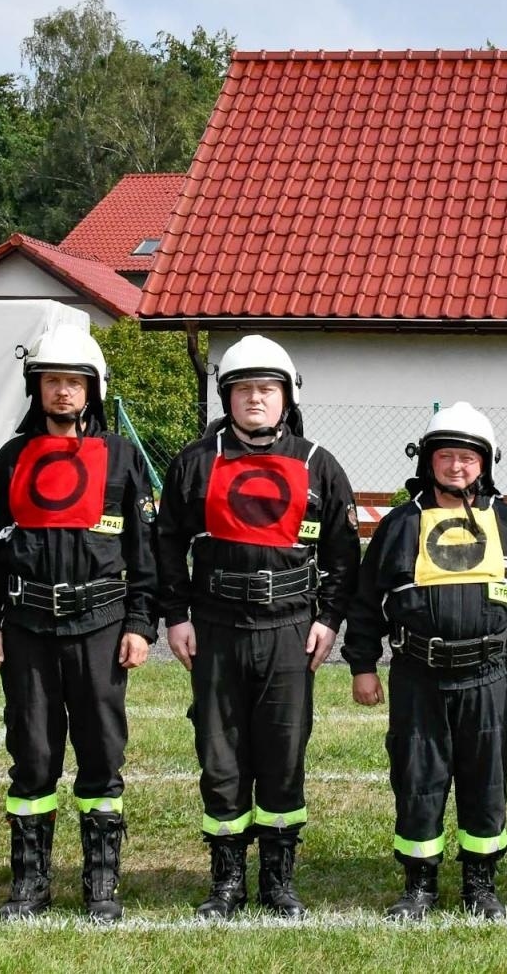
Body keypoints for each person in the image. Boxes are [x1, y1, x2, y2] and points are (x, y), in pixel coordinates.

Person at [156, 335, 360, 919]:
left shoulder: (318, 462)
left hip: (290, 630)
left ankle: (278, 880)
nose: (255, 399)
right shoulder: (196, 461)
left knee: (282, 752)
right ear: (226, 396)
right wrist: (175, 616)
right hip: (216, 627)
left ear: (287, 396)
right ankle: (226, 881)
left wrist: (329, 619)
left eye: (267, 389)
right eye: (243, 389)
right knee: (220, 757)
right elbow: (167, 544)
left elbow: (346, 556)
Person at [0, 325, 158, 923]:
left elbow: (144, 550)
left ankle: (100, 884)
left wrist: (139, 622)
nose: (62, 393)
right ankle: (30, 885)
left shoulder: (122, 460)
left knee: (101, 753)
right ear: (37, 387)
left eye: (74, 382)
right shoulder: (11, 458)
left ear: (93, 389)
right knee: (32, 754)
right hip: (26, 625)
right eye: (52, 381)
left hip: (101, 623)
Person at [343, 402, 507, 920]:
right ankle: (419, 886)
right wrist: (363, 665)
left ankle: (480, 884)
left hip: (489, 678)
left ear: (486, 463)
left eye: (468, 458)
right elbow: (367, 602)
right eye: (446, 456)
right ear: (427, 460)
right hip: (418, 676)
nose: (457, 467)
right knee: (417, 778)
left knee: (486, 781)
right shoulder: (398, 525)